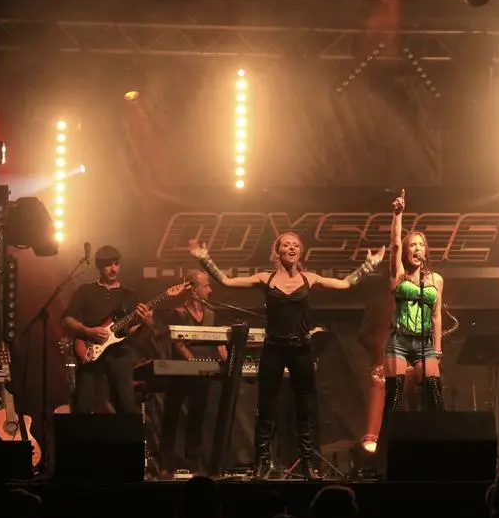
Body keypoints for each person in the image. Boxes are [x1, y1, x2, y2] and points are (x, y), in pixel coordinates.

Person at [189, 232, 384, 479]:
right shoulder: (265, 278)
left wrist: (370, 265)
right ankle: (261, 462)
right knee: (267, 407)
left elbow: (345, 283)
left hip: (301, 349)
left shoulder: (308, 278)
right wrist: (204, 258)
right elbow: (227, 282)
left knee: (305, 408)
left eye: (295, 246)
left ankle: (307, 464)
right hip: (274, 348)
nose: (291, 248)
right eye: (286, 245)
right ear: (277, 251)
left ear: (300, 252)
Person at [61, 244, 155, 414]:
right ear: (99, 265)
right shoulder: (85, 290)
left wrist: (143, 322)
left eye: (116, 264)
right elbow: (67, 319)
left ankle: (124, 439)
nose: (113, 269)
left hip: (119, 353)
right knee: (82, 404)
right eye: (108, 264)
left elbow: (131, 331)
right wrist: (88, 331)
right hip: (90, 349)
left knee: (125, 404)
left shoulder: (129, 295)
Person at [382, 188, 446, 428]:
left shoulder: (436, 279)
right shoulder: (397, 275)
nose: (416, 248)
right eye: (413, 245)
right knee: (395, 396)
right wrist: (397, 215)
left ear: (425, 250)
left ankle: (440, 445)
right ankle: (387, 451)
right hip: (399, 340)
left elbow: (437, 316)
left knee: (435, 396)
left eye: (421, 245)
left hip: (425, 343)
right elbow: (395, 245)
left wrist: (437, 350)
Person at [157, 270, 226, 473]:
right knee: (172, 414)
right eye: (206, 286)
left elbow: (221, 344)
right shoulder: (178, 313)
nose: (210, 290)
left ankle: (193, 462)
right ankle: (166, 462)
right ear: (193, 289)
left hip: (203, 373)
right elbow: (178, 343)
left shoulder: (212, 314)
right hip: (181, 372)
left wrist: (230, 362)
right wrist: (194, 363)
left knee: (198, 414)